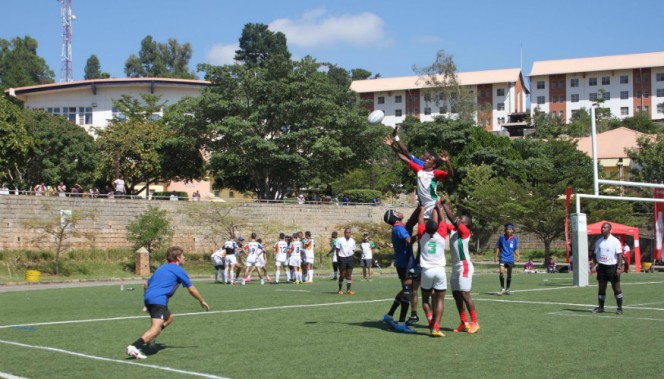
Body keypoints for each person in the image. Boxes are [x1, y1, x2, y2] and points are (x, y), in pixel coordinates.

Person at [126, 246, 209, 359]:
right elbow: (191, 289)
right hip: (158, 300)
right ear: (178, 258)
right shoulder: (179, 270)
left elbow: (146, 284)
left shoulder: (162, 268)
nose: (184, 258)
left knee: (169, 318)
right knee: (155, 328)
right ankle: (134, 346)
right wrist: (201, 300)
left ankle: (151, 338)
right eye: (183, 255)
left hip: (150, 298)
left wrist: (146, 302)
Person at [441, 197, 480, 334]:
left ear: (466, 224)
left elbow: (452, 220)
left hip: (464, 266)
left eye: (461, 219)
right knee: (457, 295)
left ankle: (475, 322)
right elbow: (443, 223)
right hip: (455, 267)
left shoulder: (465, 232)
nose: (459, 220)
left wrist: (444, 204)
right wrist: (436, 208)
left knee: (465, 294)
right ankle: (464, 322)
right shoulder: (453, 230)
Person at [381, 210, 416, 333]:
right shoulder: (399, 228)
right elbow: (409, 241)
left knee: (406, 290)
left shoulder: (399, 227)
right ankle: (401, 323)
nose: (400, 212)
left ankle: (389, 316)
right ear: (395, 217)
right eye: (396, 211)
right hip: (405, 263)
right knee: (408, 291)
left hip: (403, 263)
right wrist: (421, 234)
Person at [592, 223, 624, 314]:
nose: (603, 229)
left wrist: (619, 267)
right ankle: (601, 308)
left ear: (610, 229)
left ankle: (619, 308)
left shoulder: (615, 241)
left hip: (612, 268)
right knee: (601, 288)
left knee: (616, 288)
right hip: (601, 268)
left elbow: (619, 255)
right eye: (602, 227)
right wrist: (594, 266)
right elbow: (595, 254)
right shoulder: (599, 241)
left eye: (605, 228)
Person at [495, 223, 521, 295]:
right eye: (508, 229)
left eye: (511, 229)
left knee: (509, 274)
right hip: (502, 257)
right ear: (505, 230)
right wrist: (496, 256)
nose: (509, 230)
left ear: (513, 230)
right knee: (501, 272)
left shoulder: (514, 239)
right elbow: (498, 247)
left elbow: (515, 248)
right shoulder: (502, 237)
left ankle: (508, 289)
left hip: (510, 259)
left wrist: (518, 255)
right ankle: (502, 288)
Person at [335, 227, 357, 294]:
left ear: (350, 233)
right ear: (344, 233)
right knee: (342, 274)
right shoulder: (340, 240)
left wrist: (351, 257)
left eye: (349, 232)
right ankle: (340, 289)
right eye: (346, 232)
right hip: (342, 258)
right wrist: (338, 258)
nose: (348, 233)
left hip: (350, 258)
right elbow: (337, 250)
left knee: (349, 275)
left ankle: (348, 290)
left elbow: (353, 250)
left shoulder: (353, 241)